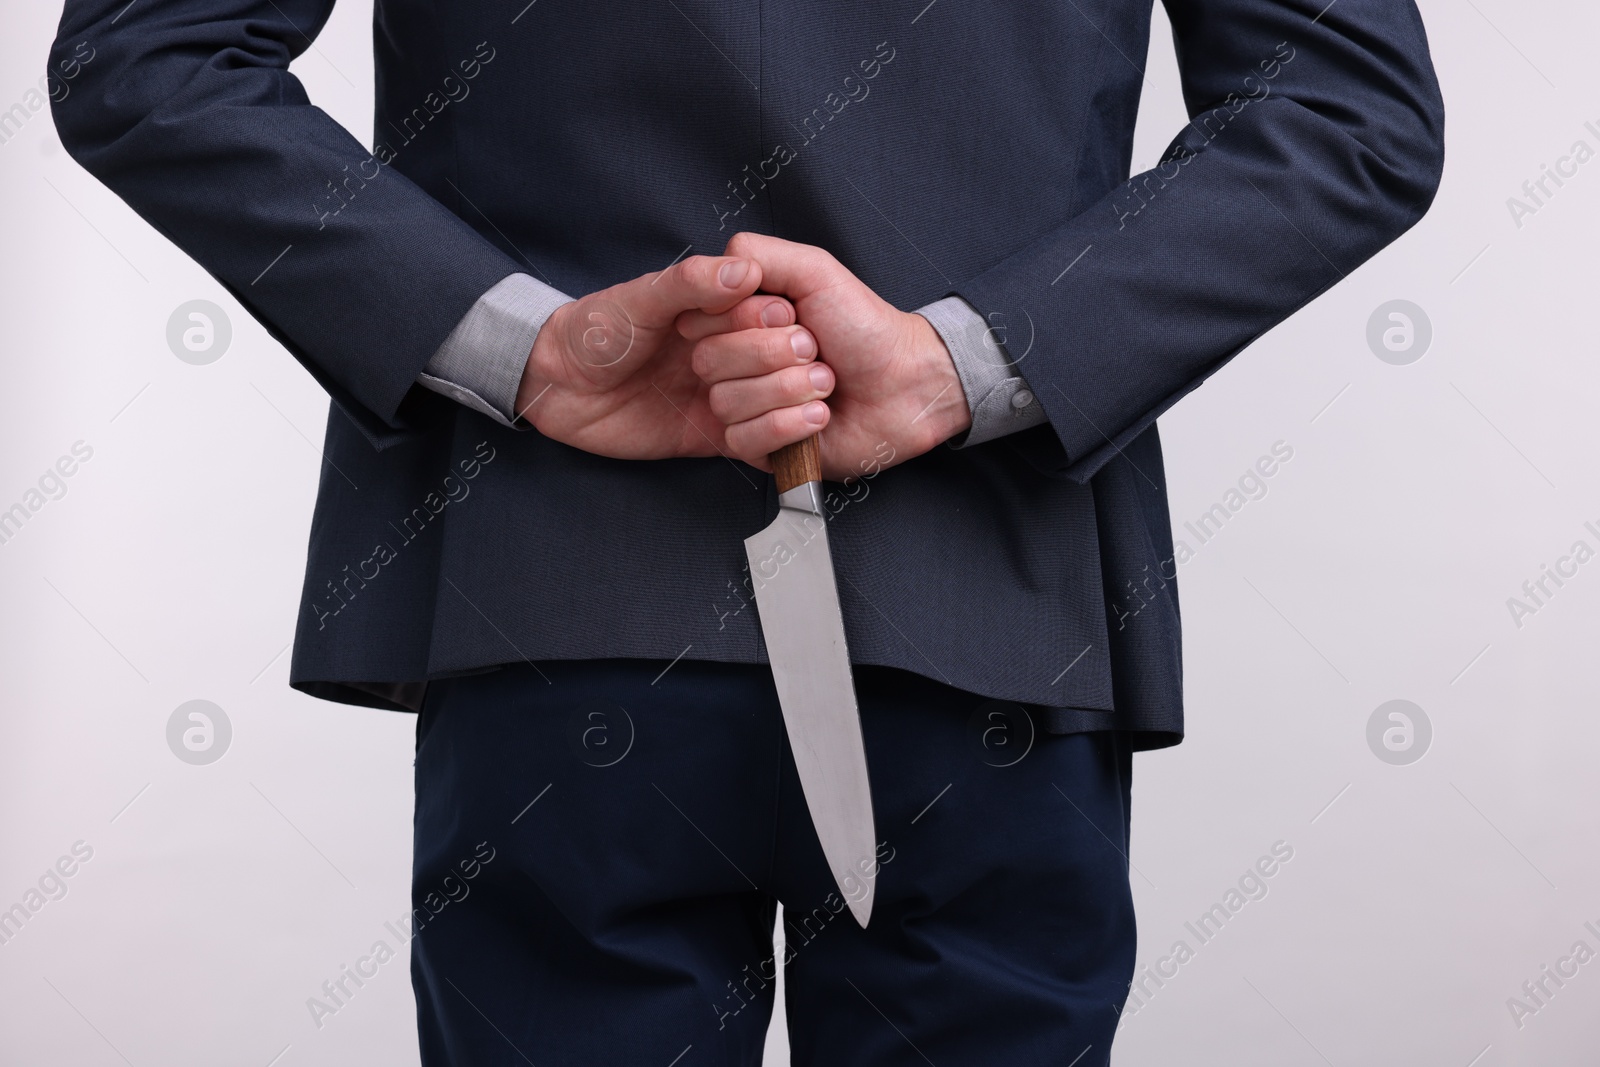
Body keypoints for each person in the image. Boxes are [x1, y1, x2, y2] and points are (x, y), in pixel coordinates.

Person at [50, 0, 1444, 1061]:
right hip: (993, 610)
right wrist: (969, 362)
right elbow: (1343, 109)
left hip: (550, 596)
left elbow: (145, 60)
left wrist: (528, 346)